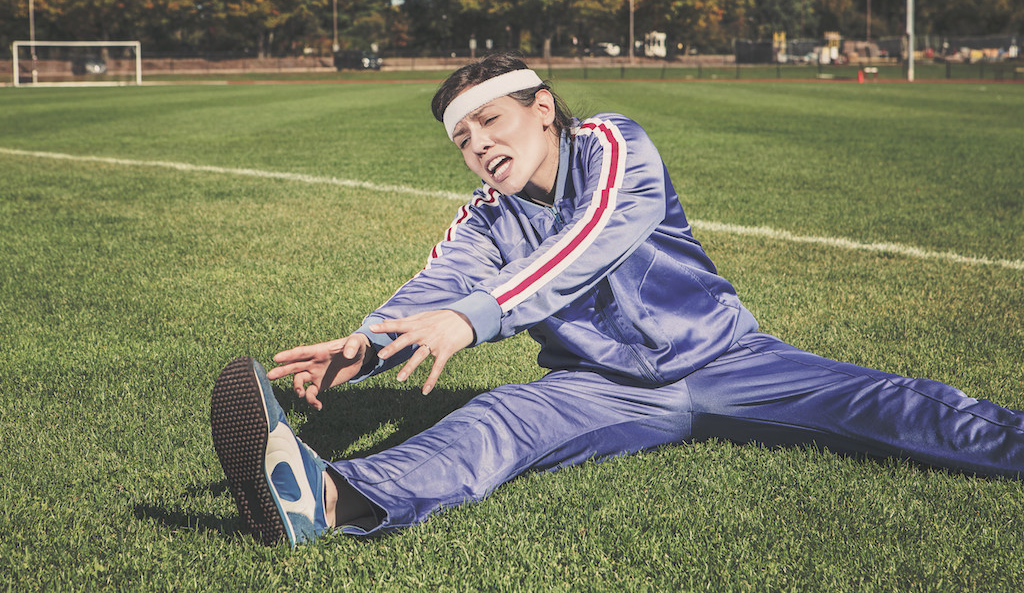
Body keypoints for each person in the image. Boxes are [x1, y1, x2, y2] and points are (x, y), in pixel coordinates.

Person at [210, 53, 1024, 548]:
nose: (480, 146)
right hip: (598, 388)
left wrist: (475, 317)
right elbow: (436, 287)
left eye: (490, 121)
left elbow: (595, 237)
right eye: (462, 139)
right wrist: (366, 345)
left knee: (891, 405)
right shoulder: (484, 219)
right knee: (494, 422)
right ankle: (324, 498)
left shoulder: (612, 144)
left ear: (540, 108)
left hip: (731, 359)